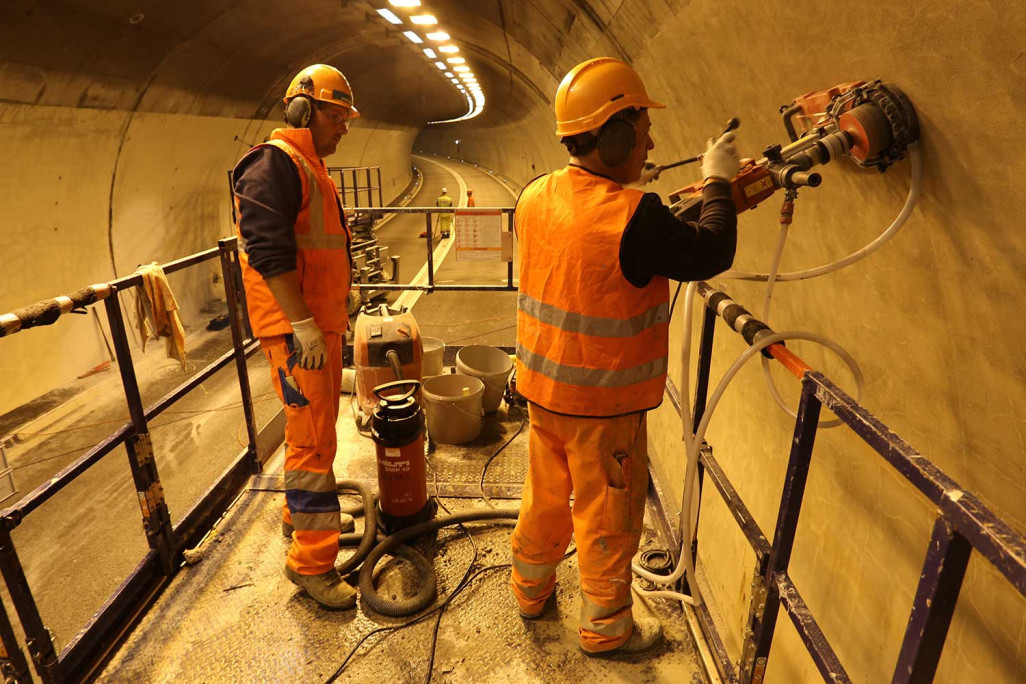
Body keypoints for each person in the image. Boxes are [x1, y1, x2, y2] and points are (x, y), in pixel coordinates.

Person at [511, 57, 740, 655]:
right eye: (641, 132)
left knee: (543, 499)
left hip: (540, 392)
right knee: (607, 517)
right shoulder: (635, 216)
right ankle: (607, 630)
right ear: (612, 137)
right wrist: (718, 181)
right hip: (603, 406)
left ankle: (529, 591)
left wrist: (664, 213)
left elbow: (591, 254)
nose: (651, 141)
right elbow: (709, 250)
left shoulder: (534, 195)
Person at [232, 64, 359, 609]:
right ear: (303, 110)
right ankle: (312, 563)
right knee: (311, 444)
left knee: (314, 432)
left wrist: (339, 298)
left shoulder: (311, 169)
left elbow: (317, 247)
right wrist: (303, 322)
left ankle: (297, 519)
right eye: (337, 116)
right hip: (296, 332)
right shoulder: (274, 164)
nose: (344, 128)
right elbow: (267, 250)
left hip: (315, 326)